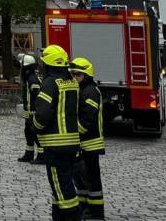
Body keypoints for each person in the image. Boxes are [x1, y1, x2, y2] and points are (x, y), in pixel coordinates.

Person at [32, 44, 81, 220]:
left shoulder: (49, 83)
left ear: (48, 64)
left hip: (55, 145)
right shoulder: (72, 82)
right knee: (61, 186)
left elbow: (43, 114)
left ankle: (72, 217)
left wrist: (34, 127)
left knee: (63, 189)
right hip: (72, 144)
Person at [70, 57, 105, 219]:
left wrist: (75, 134)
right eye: (73, 74)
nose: (75, 77)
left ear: (86, 75)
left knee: (92, 179)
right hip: (83, 143)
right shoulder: (82, 90)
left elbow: (87, 119)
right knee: (81, 178)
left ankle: (96, 211)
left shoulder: (90, 91)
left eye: (78, 75)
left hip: (90, 143)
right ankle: (84, 207)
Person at [18, 54, 44, 164]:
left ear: (26, 68)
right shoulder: (29, 78)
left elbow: (37, 96)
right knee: (28, 133)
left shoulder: (32, 79)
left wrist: (36, 111)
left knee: (36, 135)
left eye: (22, 66)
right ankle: (29, 154)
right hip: (29, 112)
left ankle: (42, 156)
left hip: (33, 112)